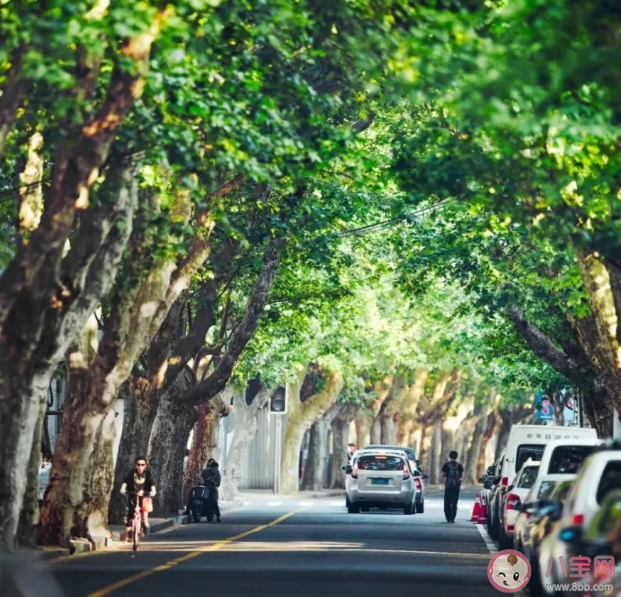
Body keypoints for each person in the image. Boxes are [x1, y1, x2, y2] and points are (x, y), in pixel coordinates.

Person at [120, 456, 156, 541]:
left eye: (142, 465)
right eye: (138, 464)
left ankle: (144, 522)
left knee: (144, 510)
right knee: (130, 514)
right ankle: (128, 534)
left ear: (145, 465)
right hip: (133, 494)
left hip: (144, 495)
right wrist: (123, 488)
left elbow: (152, 483)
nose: (140, 466)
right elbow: (126, 481)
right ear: (136, 465)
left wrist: (153, 491)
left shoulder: (147, 474)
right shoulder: (132, 473)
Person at [441, 450, 464, 523]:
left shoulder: (446, 465)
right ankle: (452, 518)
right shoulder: (459, 465)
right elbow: (461, 475)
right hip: (456, 487)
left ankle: (448, 517)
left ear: (449, 456)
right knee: (454, 503)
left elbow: (444, 474)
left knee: (447, 502)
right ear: (457, 457)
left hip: (448, 486)